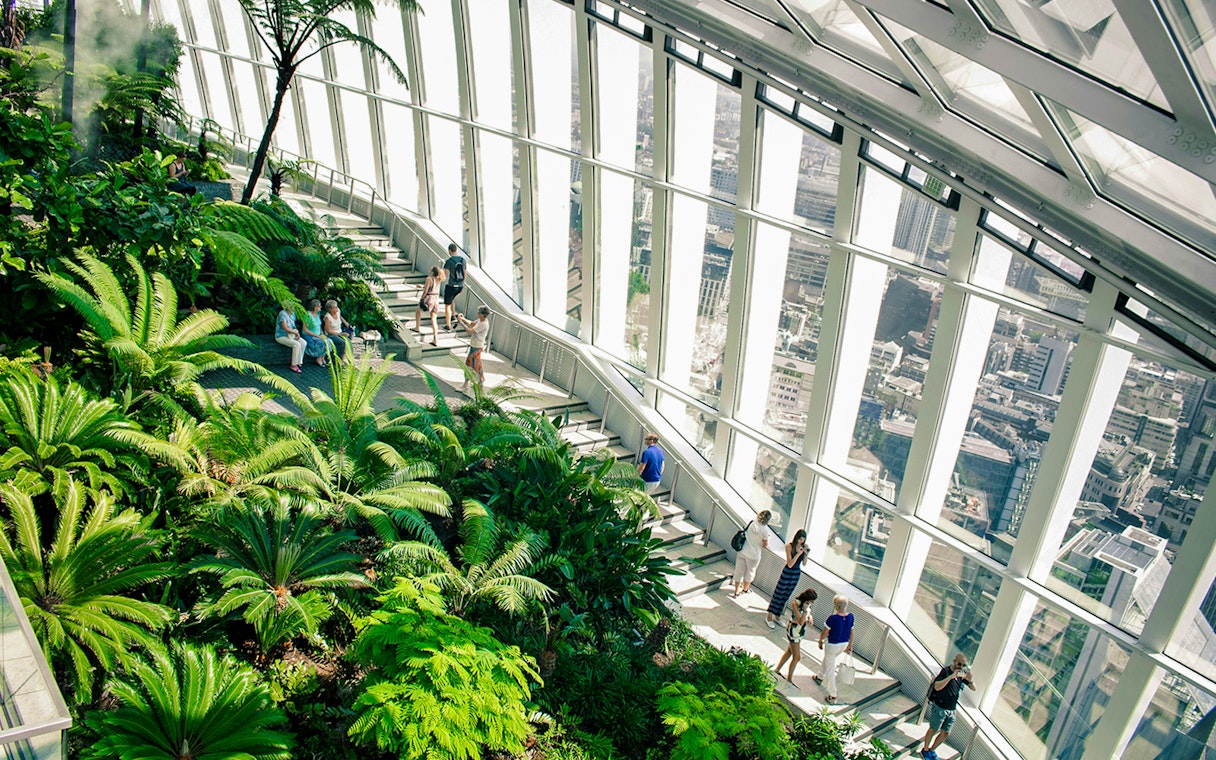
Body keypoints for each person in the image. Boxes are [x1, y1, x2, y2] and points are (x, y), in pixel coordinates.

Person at [920, 653, 976, 759]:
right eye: (960, 664)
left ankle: (932, 750)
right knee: (933, 729)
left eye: (963, 665)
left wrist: (970, 680)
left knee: (946, 733)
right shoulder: (945, 671)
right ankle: (925, 749)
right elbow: (937, 686)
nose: (961, 667)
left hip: (951, 709)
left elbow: (974, 688)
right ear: (954, 661)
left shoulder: (961, 675)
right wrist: (951, 677)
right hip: (940, 707)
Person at [814, 595, 855, 704]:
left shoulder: (832, 618)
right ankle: (820, 676)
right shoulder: (851, 617)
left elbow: (825, 632)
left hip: (832, 644)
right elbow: (852, 633)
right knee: (829, 660)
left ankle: (833, 694)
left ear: (836, 606)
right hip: (843, 644)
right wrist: (850, 645)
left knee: (830, 668)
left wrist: (820, 641)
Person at [766, 529, 808, 628]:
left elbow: (805, 564)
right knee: (778, 594)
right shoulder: (789, 546)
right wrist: (798, 554)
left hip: (796, 574)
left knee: (786, 596)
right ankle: (769, 616)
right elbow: (790, 564)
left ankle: (778, 616)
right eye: (799, 539)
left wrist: (806, 554)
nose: (801, 542)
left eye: (803, 540)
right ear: (796, 538)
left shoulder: (803, 547)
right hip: (788, 572)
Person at [775, 587, 817, 682]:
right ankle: (789, 678)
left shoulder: (807, 604)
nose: (812, 603)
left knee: (789, 651)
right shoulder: (796, 604)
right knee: (797, 657)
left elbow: (806, 616)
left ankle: (777, 669)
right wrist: (805, 611)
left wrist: (809, 616)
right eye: (811, 601)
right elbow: (801, 621)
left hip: (800, 631)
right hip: (794, 631)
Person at [732, 510, 771, 598]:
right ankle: (745, 589)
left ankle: (736, 591)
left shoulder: (752, 523)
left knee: (739, 571)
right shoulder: (765, 530)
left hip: (743, 550)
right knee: (750, 572)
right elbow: (765, 545)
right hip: (754, 555)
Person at [456, 306, 490, 394]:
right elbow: (471, 323)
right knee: (472, 365)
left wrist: (461, 323)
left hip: (477, 347)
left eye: (479, 313)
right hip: (474, 346)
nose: (477, 314)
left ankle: (471, 383)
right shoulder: (481, 320)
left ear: (482, 314)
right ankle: (471, 383)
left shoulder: (483, 324)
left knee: (473, 365)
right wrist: (463, 318)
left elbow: (470, 331)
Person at [415, 266, 446, 346]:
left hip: (428, 298)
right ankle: (435, 339)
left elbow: (426, 291)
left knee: (418, 310)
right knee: (433, 319)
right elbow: (432, 288)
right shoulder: (439, 279)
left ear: (432, 272)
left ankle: (417, 327)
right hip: (435, 299)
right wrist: (422, 286)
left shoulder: (429, 278)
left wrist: (422, 298)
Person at [274, 302, 307, 373]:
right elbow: (285, 327)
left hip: (291, 335)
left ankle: (298, 361)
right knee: (296, 344)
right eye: (291, 305)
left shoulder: (293, 314)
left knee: (303, 343)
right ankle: (293, 365)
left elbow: (293, 325)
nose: (292, 307)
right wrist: (294, 332)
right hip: (281, 336)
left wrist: (297, 333)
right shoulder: (282, 314)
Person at [442, 243, 466, 331]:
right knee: (452, 299)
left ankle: (448, 325)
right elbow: (464, 273)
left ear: (450, 250)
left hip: (451, 286)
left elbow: (445, 275)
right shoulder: (463, 260)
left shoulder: (449, 261)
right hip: (460, 286)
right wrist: (462, 284)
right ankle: (453, 315)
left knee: (447, 305)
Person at [300, 299, 330, 367]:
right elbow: (305, 330)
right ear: (314, 307)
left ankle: (322, 358)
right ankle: (318, 358)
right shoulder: (308, 315)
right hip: (309, 335)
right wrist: (316, 335)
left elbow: (319, 326)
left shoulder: (318, 314)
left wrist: (322, 334)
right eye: (319, 306)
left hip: (318, 334)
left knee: (328, 341)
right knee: (322, 342)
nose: (320, 308)